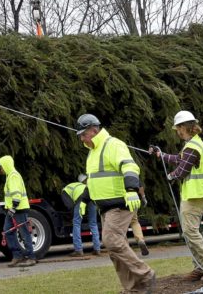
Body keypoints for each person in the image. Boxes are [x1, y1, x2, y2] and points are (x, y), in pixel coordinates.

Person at [77, 113, 156, 294]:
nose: (81, 138)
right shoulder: (92, 153)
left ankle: (145, 274)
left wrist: (130, 190)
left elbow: (130, 166)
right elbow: (93, 180)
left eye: (83, 134)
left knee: (111, 240)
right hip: (105, 207)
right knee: (113, 250)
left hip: (120, 202)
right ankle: (133, 288)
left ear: (94, 130)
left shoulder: (113, 144)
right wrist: (84, 201)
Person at [152, 110, 203, 282]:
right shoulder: (193, 144)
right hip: (196, 195)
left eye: (178, 128)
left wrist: (170, 176)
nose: (177, 131)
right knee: (189, 231)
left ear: (185, 127)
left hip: (198, 195)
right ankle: (201, 266)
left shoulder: (193, 146)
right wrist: (160, 155)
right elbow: (180, 159)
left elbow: (182, 170)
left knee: (190, 231)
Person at [0, 155, 36, 267]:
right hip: (13, 209)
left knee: (24, 233)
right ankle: (17, 256)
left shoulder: (13, 176)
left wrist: (13, 209)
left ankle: (31, 257)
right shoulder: (10, 176)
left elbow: (16, 195)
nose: (1, 169)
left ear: (6, 165)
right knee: (7, 231)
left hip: (18, 208)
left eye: (1, 166)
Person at [63, 174, 101, 257]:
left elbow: (70, 206)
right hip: (91, 196)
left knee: (76, 223)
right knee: (93, 223)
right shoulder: (86, 186)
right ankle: (97, 249)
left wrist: (72, 215)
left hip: (81, 198)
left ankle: (78, 250)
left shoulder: (65, 190)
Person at [129, 183, 150, 256]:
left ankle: (124, 249)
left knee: (121, 224)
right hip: (134, 198)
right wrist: (143, 197)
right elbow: (140, 186)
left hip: (122, 199)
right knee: (134, 222)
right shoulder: (131, 172)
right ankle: (140, 240)